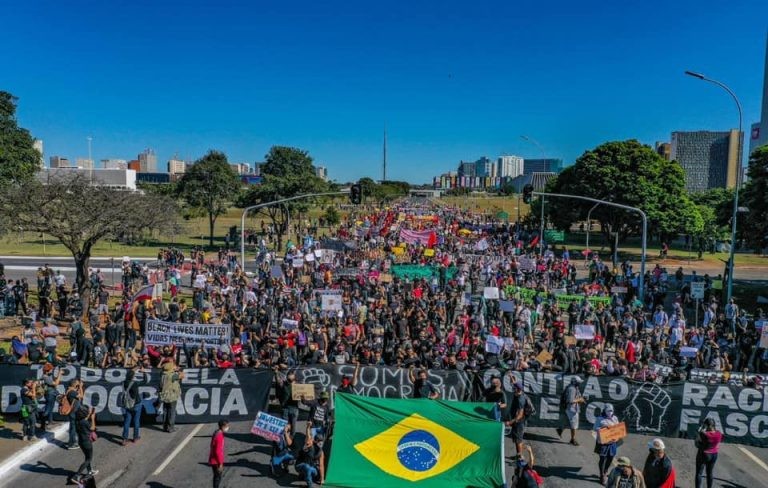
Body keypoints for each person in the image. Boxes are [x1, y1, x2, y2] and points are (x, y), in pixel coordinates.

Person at [71, 398, 98, 482]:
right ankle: (76, 476)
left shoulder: (77, 421)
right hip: (87, 442)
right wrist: (93, 418)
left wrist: (89, 414)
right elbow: (92, 428)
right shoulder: (85, 422)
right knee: (88, 459)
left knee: (87, 457)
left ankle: (90, 471)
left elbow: (84, 419)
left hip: (81, 442)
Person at [593, 403, 620, 484]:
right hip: (603, 442)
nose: (610, 412)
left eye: (611, 411)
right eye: (608, 411)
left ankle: (605, 471)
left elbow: (618, 427)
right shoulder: (600, 419)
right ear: (604, 410)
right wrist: (603, 428)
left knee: (611, 457)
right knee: (602, 458)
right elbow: (595, 428)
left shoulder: (615, 418)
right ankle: (602, 475)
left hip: (612, 442)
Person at [695, 418, 723, 488]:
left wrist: (700, 431)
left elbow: (696, 444)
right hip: (714, 454)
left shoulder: (704, 434)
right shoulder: (719, 433)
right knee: (710, 473)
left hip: (704, 454)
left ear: (707, 425)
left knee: (699, 473)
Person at [557, 377, 585, 446]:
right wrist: (579, 400)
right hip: (572, 409)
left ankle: (560, 429)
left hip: (571, 408)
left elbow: (576, 397)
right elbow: (570, 400)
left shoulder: (574, 387)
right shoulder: (572, 389)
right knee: (574, 425)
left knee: (568, 422)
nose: (579, 383)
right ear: (575, 382)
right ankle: (573, 439)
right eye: (578, 382)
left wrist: (581, 399)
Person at [121, 366, 145, 445]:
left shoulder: (124, 383)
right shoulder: (134, 383)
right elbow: (145, 381)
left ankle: (125, 438)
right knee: (136, 421)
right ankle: (135, 437)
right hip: (136, 404)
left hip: (127, 404)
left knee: (127, 421)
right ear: (132, 376)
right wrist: (143, 372)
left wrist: (134, 369)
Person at [159, 361, 184, 433]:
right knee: (172, 412)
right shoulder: (172, 375)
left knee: (165, 411)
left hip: (164, 395)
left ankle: (165, 427)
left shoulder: (162, 374)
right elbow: (182, 376)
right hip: (171, 395)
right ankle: (171, 427)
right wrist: (180, 370)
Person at [506, 381, 529, 458]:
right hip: (518, 422)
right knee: (517, 440)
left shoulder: (520, 399)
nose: (513, 389)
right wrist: (511, 377)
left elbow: (520, 415)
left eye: (514, 388)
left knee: (518, 440)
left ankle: (520, 458)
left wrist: (510, 422)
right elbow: (514, 382)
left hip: (519, 423)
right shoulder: (519, 393)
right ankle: (518, 455)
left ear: (518, 389)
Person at [276, 370, 300, 435]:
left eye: (292, 380)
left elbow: (305, 396)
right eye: (289, 380)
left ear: (295, 379)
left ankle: (291, 441)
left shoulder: (299, 386)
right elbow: (278, 382)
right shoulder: (284, 384)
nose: (290, 381)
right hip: (285, 408)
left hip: (294, 408)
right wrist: (276, 373)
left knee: (293, 426)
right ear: (287, 378)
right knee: (284, 425)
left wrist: (303, 397)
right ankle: (285, 439)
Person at [208, 419, 228, 488]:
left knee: (216, 476)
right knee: (217, 477)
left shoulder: (216, 432)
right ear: (222, 426)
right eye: (226, 426)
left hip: (213, 458)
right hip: (216, 461)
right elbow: (218, 451)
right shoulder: (220, 436)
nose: (227, 428)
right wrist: (220, 463)